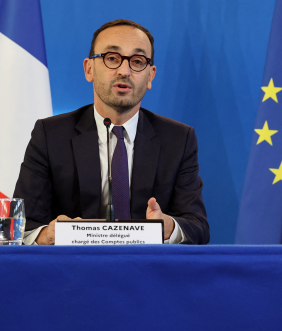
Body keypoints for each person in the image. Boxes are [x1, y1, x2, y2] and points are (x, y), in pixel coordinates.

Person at [13, 19, 209, 245]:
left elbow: (198, 227)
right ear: (89, 69)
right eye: (112, 58)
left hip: (148, 273)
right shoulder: (50, 135)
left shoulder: (178, 139)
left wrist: (169, 227)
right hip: (73, 272)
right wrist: (48, 235)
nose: (124, 71)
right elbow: (22, 227)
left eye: (137, 61)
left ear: (150, 76)